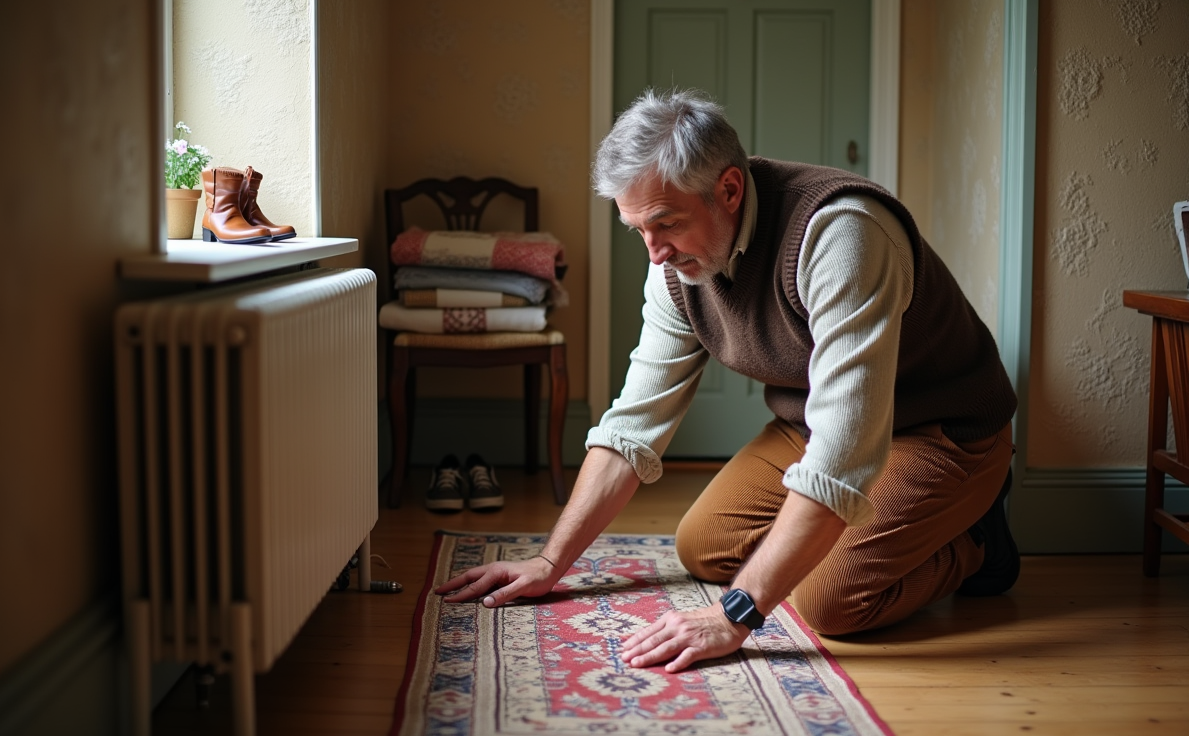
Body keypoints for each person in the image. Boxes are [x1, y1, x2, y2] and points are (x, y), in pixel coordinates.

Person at [436, 88, 1018, 673]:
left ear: (730, 190)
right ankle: (873, 532)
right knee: (702, 544)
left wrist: (734, 615)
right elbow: (635, 422)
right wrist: (550, 563)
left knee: (831, 599)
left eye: (666, 224)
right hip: (810, 425)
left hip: (940, 429)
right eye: (636, 229)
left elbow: (844, 454)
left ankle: (977, 540)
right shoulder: (674, 268)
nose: (654, 252)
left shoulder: (841, 235)